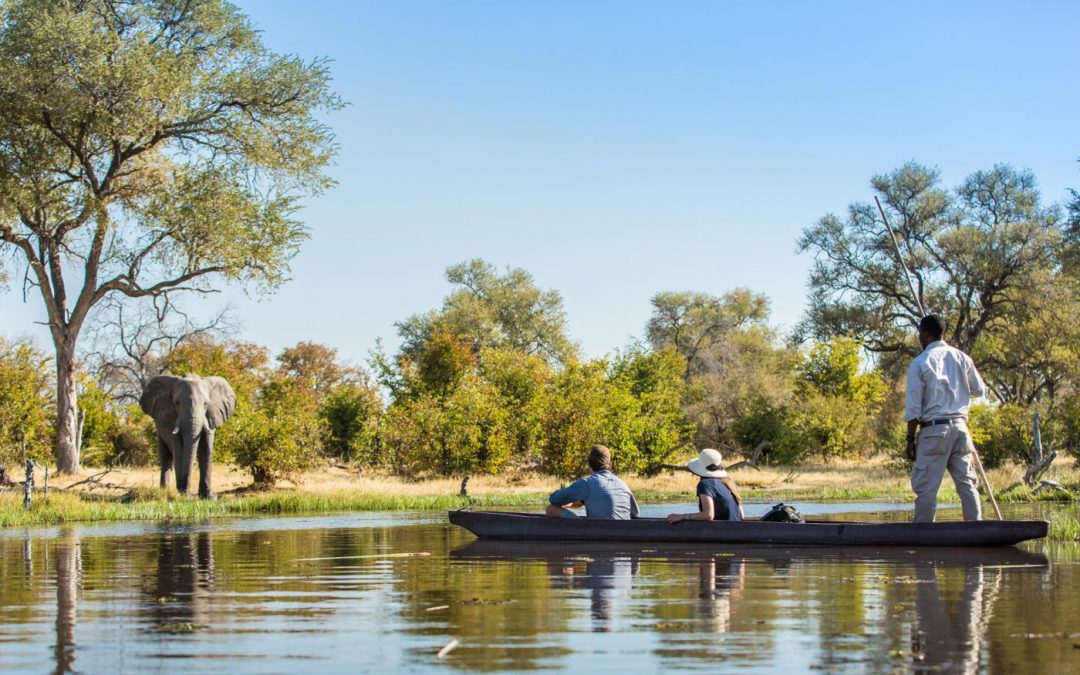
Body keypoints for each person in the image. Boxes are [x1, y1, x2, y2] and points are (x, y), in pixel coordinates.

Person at [905, 314, 986, 522]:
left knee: (926, 489)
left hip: (934, 431)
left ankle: (923, 534)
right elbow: (978, 390)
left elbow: (914, 407)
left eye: (920, 333)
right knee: (967, 484)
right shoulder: (962, 358)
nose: (919, 337)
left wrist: (909, 439)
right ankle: (975, 529)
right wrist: (956, 387)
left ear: (926, 333)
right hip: (960, 429)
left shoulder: (920, 362)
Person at [546, 445, 639, 519]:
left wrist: (567, 496)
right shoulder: (622, 484)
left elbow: (554, 499)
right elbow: (635, 514)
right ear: (610, 464)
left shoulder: (586, 483)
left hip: (598, 533)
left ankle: (578, 524)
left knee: (551, 509)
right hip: (624, 531)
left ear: (589, 464)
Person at [666, 448, 744, 523]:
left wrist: (682, 517)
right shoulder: (729, 482)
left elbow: (708, 515)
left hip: (721, 533)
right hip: (735, 532)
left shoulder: (704, 484)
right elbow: (742, 516)